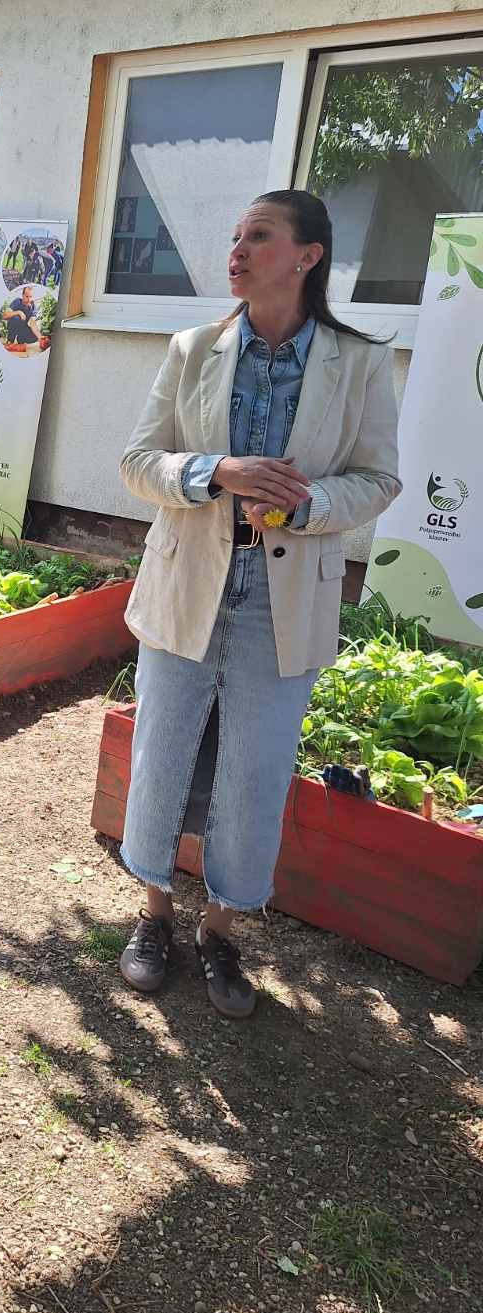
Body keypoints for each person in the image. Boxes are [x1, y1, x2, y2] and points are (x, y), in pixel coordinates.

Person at [116, 190, 400, 1018]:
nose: (236, 251)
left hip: (284, 599)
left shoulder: (359, 361)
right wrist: (215, 472)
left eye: (259, 237)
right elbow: (137, 462)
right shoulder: (192, 348)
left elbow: (379, 477)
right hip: (186, 586)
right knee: (162, 755)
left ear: (307, 256)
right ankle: (154, 915)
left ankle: (222, 930)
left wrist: (308, 506)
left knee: (254, 771)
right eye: (235, 235)